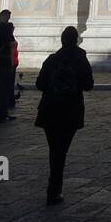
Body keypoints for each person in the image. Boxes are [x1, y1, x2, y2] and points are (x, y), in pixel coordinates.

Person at [35, 26, 94, 205]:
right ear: (76, 40)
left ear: (61, 40)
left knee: (55, 150)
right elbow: (88, 85)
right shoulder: (80, 59)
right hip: (70, 110)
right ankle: (54, 190)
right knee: (61, 151)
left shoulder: (52, 59)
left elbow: (40, 84)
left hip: (49, 109)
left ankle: (53, 189)